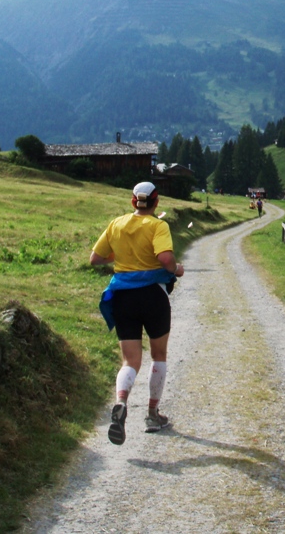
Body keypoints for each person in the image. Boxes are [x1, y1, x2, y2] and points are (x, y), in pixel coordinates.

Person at [90, 181, 185, 445]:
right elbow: (165, 259)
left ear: (133, 202)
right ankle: (152, 415)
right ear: (156, 202)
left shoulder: (116, 224)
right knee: (158, 355)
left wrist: (121, 256)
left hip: (122, 297)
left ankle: (121, 402)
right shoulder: (158, 226)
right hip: (153, 296)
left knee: (129, 361)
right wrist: (177, 269)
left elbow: (95, 258)